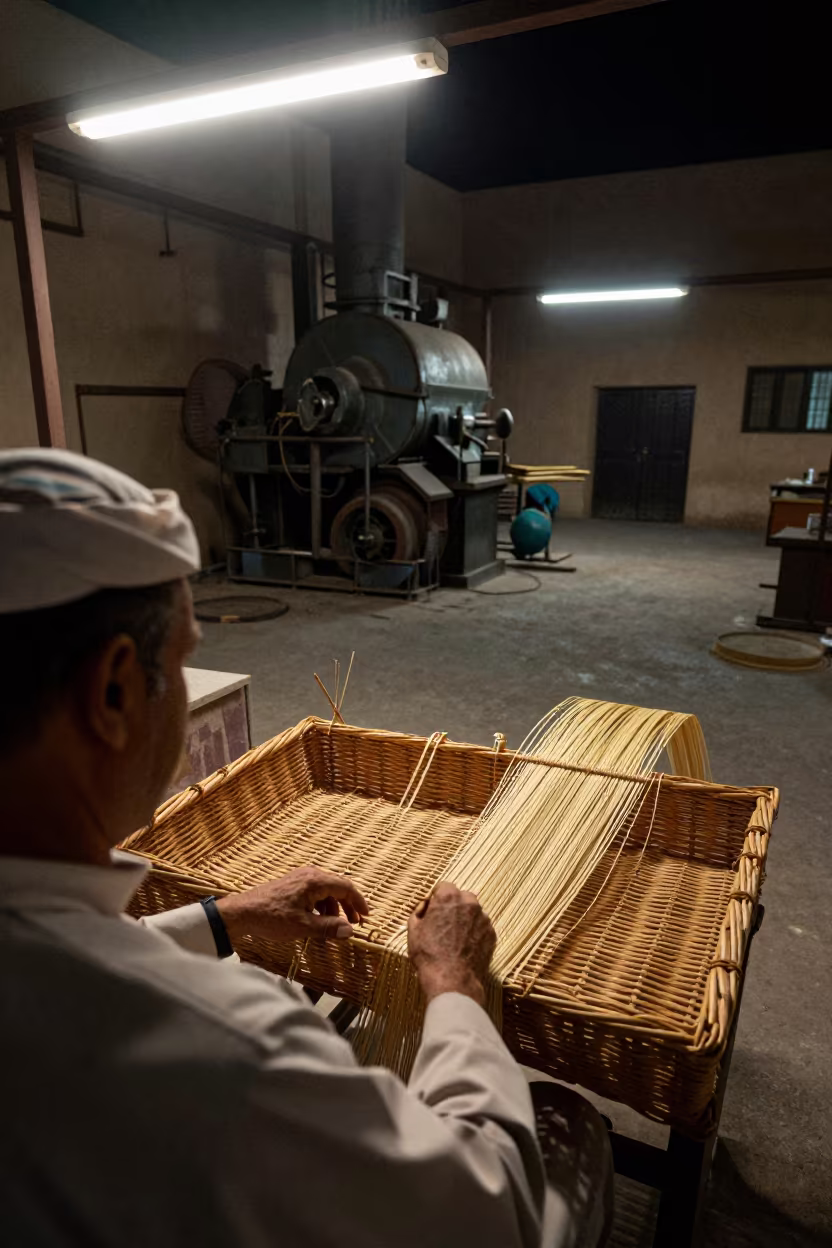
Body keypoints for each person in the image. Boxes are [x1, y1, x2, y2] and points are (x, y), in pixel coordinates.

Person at [0, 448, 611, 1247]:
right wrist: (455, 986)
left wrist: (222, 917)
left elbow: (60, 958)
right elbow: (489, 1213)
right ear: (113, 693)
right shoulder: (231, 1049)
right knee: (565, 1126)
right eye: (184, 658)